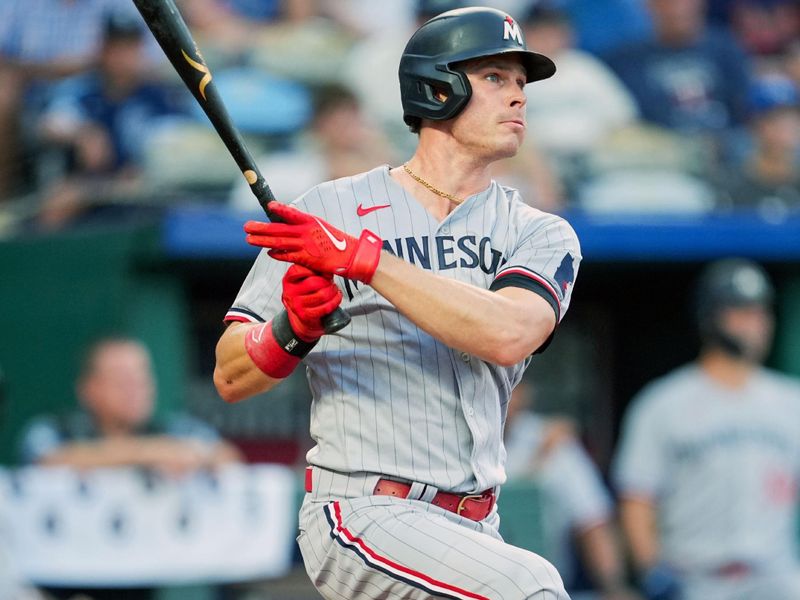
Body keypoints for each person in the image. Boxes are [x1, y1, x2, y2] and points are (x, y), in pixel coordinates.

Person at [214, 6, 581, 599]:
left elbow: (509, 332)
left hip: (475, 525)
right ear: (438, 88)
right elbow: (231, 374)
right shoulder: (329, 210)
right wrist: (295, 328)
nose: (518, 97)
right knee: (531, 587)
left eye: (520, 83)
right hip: (362, 511)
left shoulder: (539, 232)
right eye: (495, 78)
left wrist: (365, 262)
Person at [612, 258, 800, 600]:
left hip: (776, 577)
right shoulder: (664, 403)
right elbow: (637, 499)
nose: (756, 323)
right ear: (711, 317)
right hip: (696, 580)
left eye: (761, 312)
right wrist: (652, 571)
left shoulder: (791, 401)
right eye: (741, 311)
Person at [33, 12, 187, 230]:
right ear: (103, 50)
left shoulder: (158, 97)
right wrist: (84, 133)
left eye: (130, 48)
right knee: (59, 203)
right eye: (116, 48)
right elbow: (50, 124)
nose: (123, 57)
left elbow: (176, 144)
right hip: (89, 194)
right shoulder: (85, 90)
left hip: (144, 197)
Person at [19, 336, 241, 474]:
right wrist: (147, 452)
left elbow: (227, 457)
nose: (135, 390)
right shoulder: (55, 429)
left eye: (142, 378)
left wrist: (197, 456)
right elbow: (45, 461)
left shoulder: (172, 429)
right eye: (122, 380)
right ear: (89, 389)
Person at [505, 381, 639, 600]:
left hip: (539, 590)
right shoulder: (444, 433)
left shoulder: (551, 439)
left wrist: (614, 588)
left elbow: (592, 522)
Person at [604, 0, 752, 136]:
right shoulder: (625, 61)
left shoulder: (726, 50)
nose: (677, 9)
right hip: (659, 152)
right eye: (668, 2)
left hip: (727, 147)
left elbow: (744, 107)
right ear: (649, 6)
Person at [716, 74, 800, 214]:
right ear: (754, 125)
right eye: (774, 120)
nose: (786, 127)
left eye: (792, 118)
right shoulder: (732, 187)